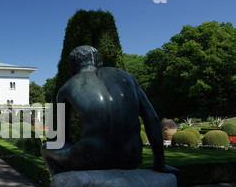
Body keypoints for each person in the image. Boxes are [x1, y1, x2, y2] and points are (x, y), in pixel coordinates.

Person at [41, 45, 178, 176]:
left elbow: (63, 139)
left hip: (93, 157)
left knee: (45, 148)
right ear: (98, 60)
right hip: (131, 157)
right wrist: (160, 163)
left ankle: (66, 185)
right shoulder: (127, 77)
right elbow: (151, 117)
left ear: (72, 66)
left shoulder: (66, 88)